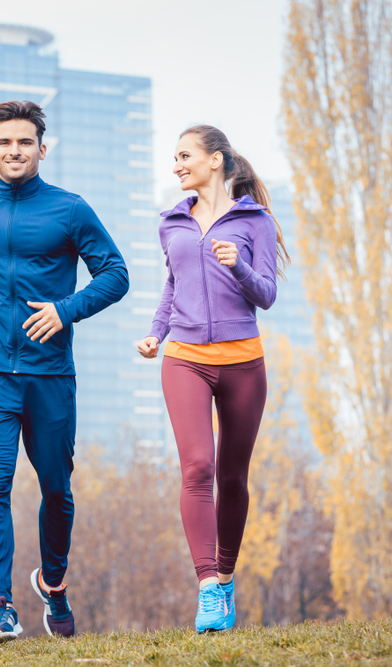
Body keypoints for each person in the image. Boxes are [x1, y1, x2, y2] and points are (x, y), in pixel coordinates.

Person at [0, 100, 128, 645]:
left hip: (49, 378)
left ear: (42, 148)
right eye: (4, 142)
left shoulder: (70, 210)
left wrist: (66, 310)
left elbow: (116, 274)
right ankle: (0, 609)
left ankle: (54, 582)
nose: (14, 151)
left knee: (57, 490)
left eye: (24, 142)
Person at [136, 125, 289, 633]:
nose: (177, 165)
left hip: (243, 360)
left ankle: (225, 579)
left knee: (232, 476)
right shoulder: (172, 223)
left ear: (216, 160)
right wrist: (157, 333)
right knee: (197, 466)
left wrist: (239, 265)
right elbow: (172, 285)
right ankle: (206, 588)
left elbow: (265, 293)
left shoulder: (255, 221)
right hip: (184, 358)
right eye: (174, 157)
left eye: (185, 156)